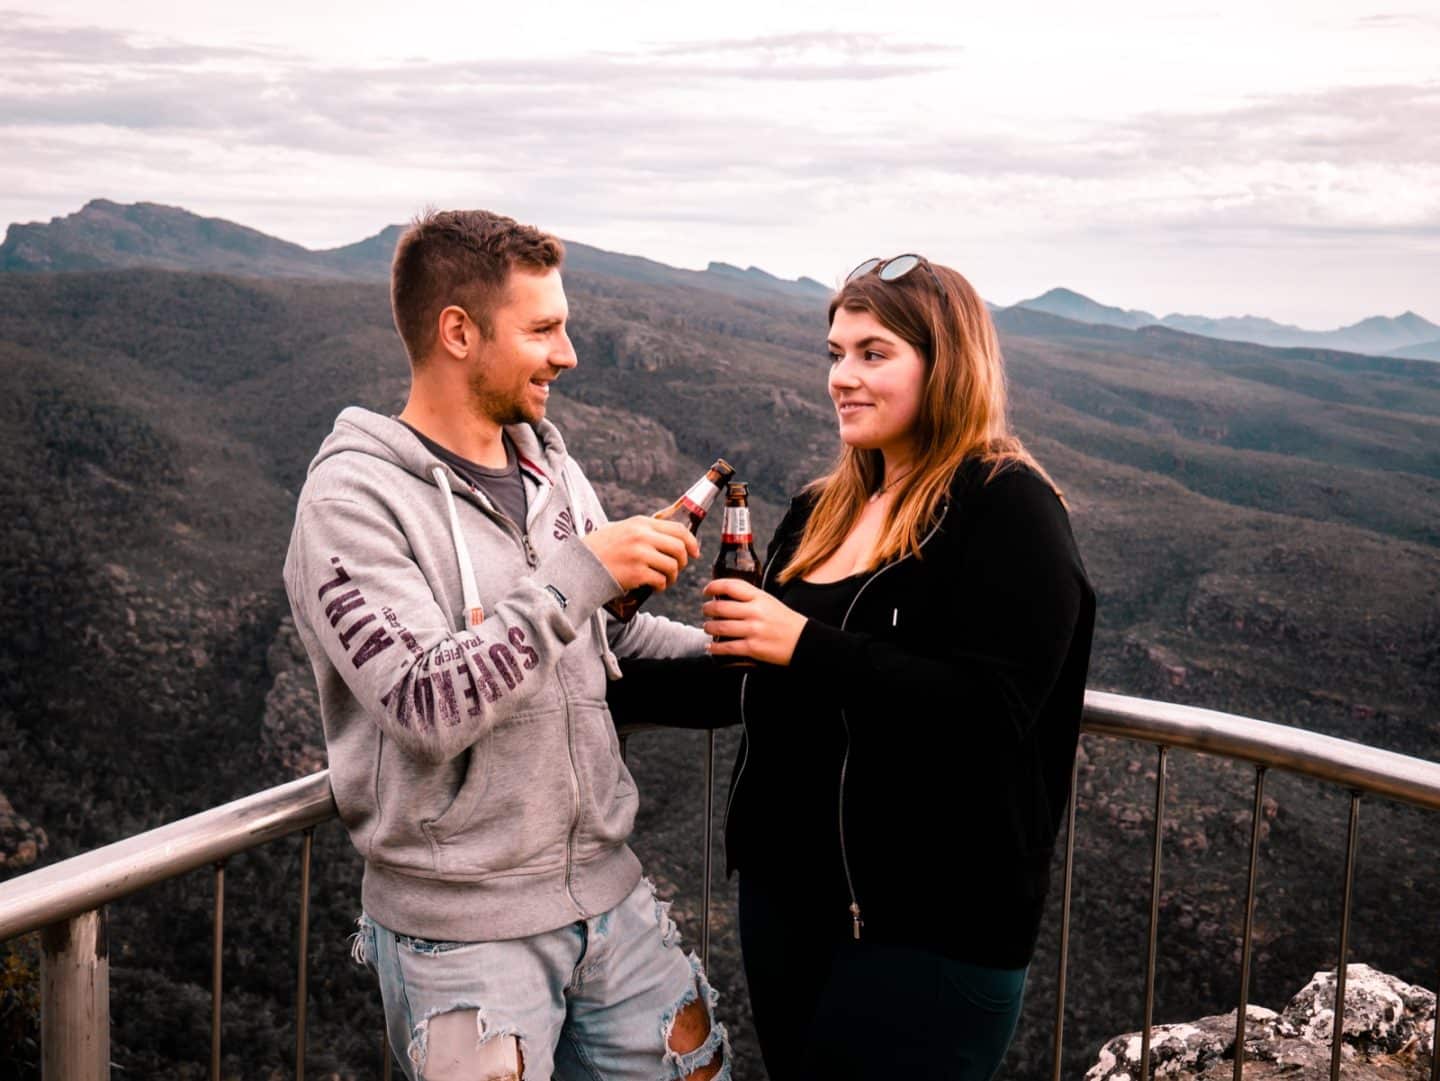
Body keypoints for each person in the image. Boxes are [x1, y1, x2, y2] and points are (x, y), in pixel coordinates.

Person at [283, 209, 729, 1081]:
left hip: (608, 893)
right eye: (544, 329)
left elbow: (611, 634)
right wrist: (579, 572)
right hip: (460, 932)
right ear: (458, 331)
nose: (568, 354)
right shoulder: (350, 503)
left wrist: (758, 662)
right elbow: (423, 702)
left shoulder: (548, 468)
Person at [701, 254, 1095, 1080]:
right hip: (784, 907)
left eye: (873, 353)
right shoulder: (821, 506)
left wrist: (802, 643)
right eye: (835, 353)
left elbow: (992, 709)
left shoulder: (1008, 507)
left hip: (930, 935)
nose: (843, 376)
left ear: (945, 365)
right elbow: (744, 669)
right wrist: (574, 651)